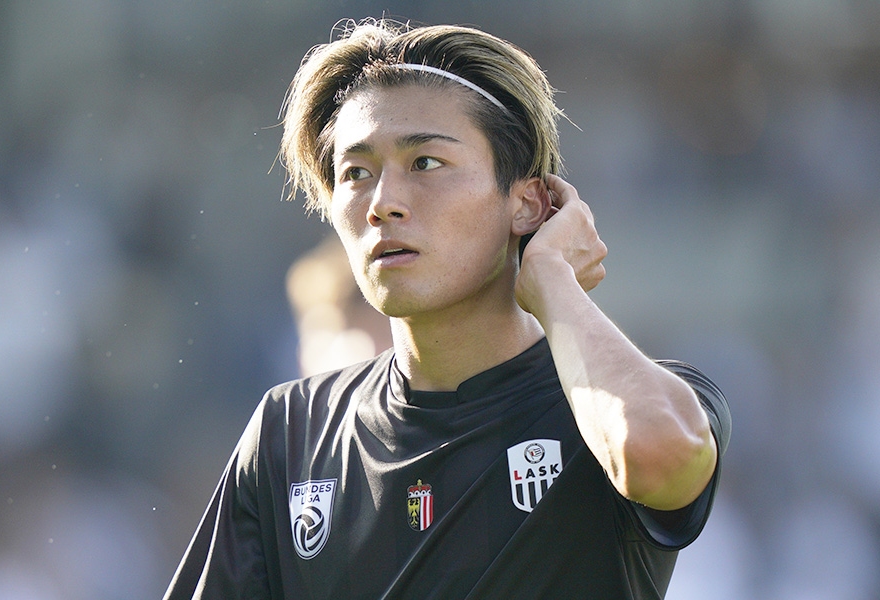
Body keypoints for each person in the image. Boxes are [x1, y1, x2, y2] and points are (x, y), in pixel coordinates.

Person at [163, 18, 730, 599]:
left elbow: (660, 456)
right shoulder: (290, 431)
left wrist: (553, 279)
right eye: (356, 173)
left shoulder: (624, 404)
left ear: (528, 203)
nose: (383, 203)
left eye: (425, 163)